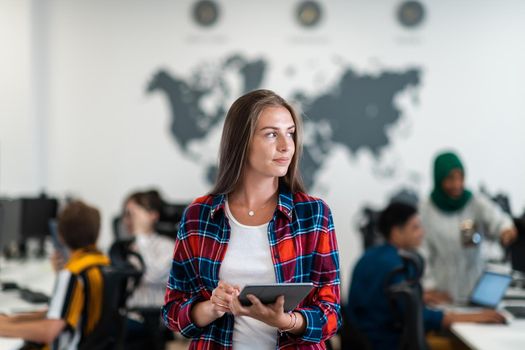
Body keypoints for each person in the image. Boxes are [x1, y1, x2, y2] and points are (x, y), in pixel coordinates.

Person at [162, 89, 341, 349]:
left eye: (290, 133)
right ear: (241, 141)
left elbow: (332, 312)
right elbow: (172, 313)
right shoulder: (199, 215)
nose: (286, 146)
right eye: (271, 134)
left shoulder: (314, 214)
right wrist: (212, 307)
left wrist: (286, 321)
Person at [347, 202, 505, 350]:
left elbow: (383, 300)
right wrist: (473, 317)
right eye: (415, 227)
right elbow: (420, 318)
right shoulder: (398, 265)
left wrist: (422, 297)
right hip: (388, 342)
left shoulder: (370, 257)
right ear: (396, 231)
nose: (421, 233)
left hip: (366, 340)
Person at [0, 200, 110, 349]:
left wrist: (4, 329)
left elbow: (49, 331)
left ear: (60, 235)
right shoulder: (102, 263)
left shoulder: (73, 274)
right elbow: (60, 312)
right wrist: (10, 320)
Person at [419, 151, 517, 304]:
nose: (457, 184)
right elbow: (422, 253)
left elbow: (497, 219)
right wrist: (429, 288)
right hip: (441, 292)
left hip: (474, 290)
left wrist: (505, 230)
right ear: (439, 179)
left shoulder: (474, 202)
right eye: (450, 178)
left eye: (460, 177)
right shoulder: (425, 210)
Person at [122, 190, 175, 308]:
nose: (129, 220)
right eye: (126, 215)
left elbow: (154, 275)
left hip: (154, 315)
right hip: (129, 312)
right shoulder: (123, 247)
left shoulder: (166, 245)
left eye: (133, 214)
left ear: (153, 215)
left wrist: (140, 235)